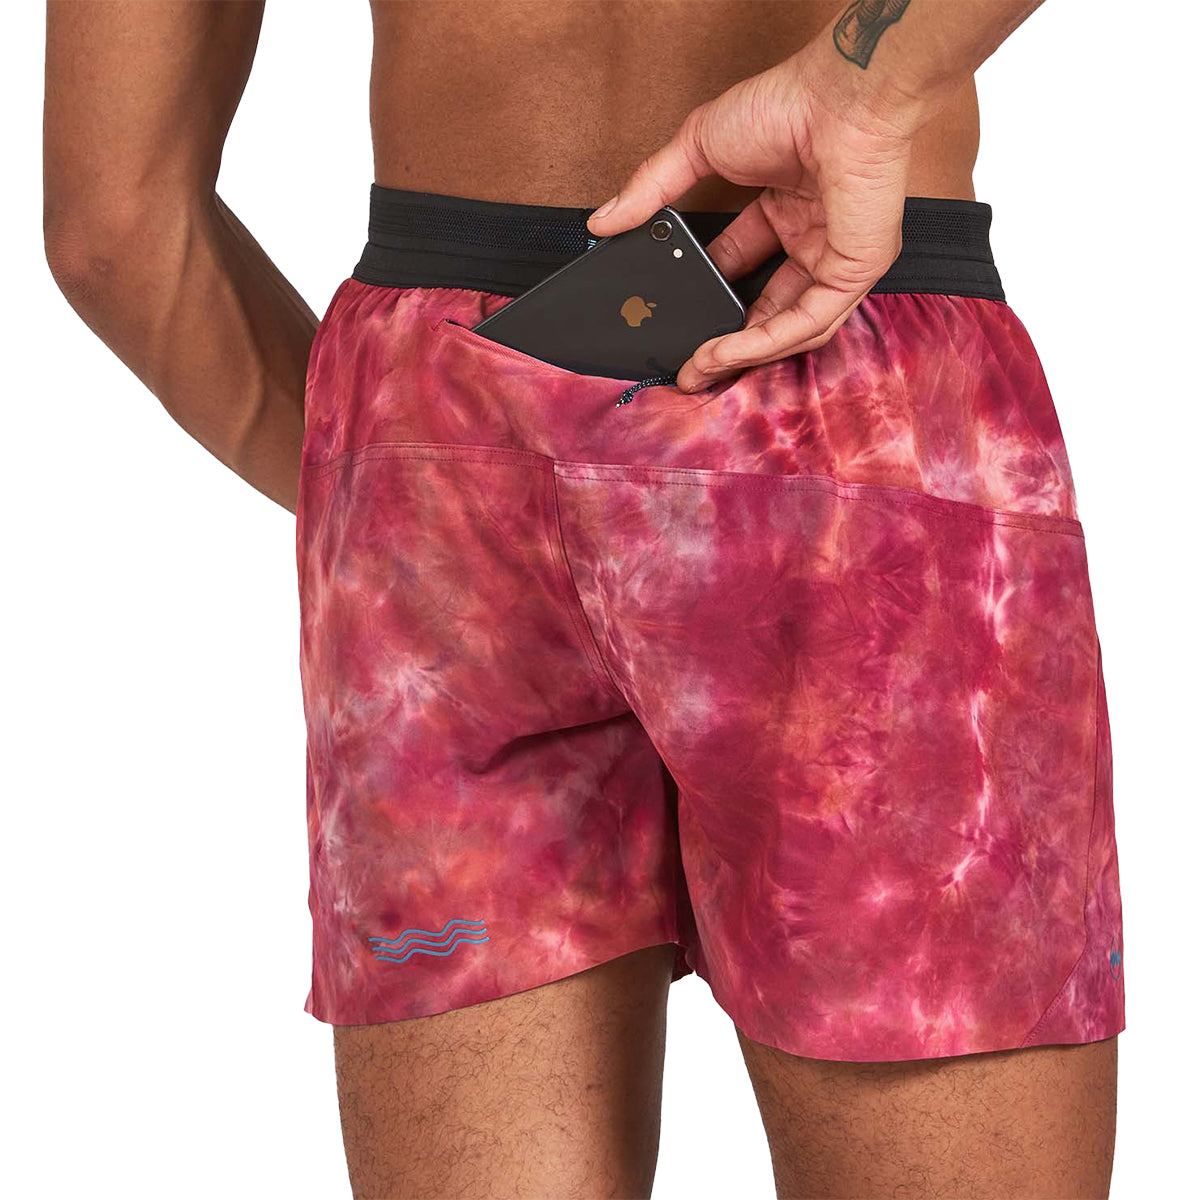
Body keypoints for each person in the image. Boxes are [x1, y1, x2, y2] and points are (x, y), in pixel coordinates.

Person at [43, 2, 1123, 1196]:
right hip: (857, 396)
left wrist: (400, 496)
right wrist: (866, 88)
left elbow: (115, 229)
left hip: (440, 431)